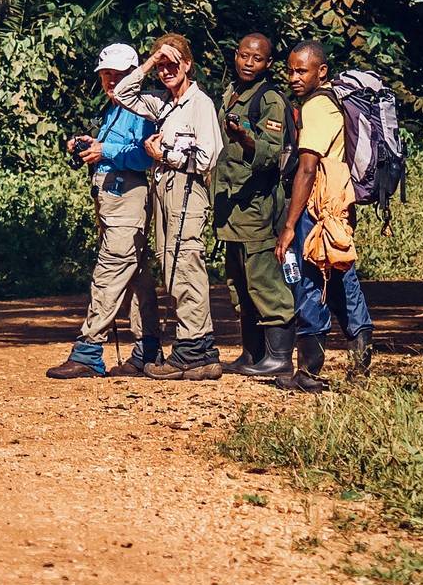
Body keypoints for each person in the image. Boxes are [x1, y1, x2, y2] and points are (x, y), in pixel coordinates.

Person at [112, 34, 224, 381]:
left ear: (188, 65)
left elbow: (207, 157)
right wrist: (148, 62)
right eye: (161, 66)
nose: (165, 71)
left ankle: (192, 348)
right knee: (171, 265)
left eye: (172, 64)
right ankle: (199, 351)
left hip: (187, 189)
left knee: (185, 263)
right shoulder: (163, 104)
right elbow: (122, 93)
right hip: (165, 190)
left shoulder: (200, 104)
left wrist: (166, 156)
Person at [46, 44, 163, 379]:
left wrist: (105, 150)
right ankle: (147, 351)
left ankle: (88, 351)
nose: (111, 81)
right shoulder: (111, 110)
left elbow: (145, 156)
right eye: (106, 75)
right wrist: (88, 144)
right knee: (137, 277)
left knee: (109, 273)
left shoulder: (141, 108)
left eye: (118, 74)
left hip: (128, 199)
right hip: (111, 201)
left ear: (132, 74)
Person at [273, 40, 376, 392]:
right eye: (290, 70)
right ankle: (359, 367)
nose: (293, 77)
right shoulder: (334, 101)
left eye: (301, 70)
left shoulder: (318, 106)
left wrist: (289, 226)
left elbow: (306, 169)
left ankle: (309, 372)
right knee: (341, 278)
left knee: (311, 282)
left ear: (322, 71)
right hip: (338, 204)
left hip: (318, 208)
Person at [213, 34, 298, 377]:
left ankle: (279, 357)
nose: (249, 63)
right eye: (244, 56)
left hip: (256, 206)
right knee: (239, 282)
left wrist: (246, 139)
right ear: (236, 55)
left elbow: (270, 154)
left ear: (268, 64)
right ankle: (252, 354)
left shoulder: (270, 100)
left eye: (257, 58)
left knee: (264, 280)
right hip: (230, 207)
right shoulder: (230, 93)